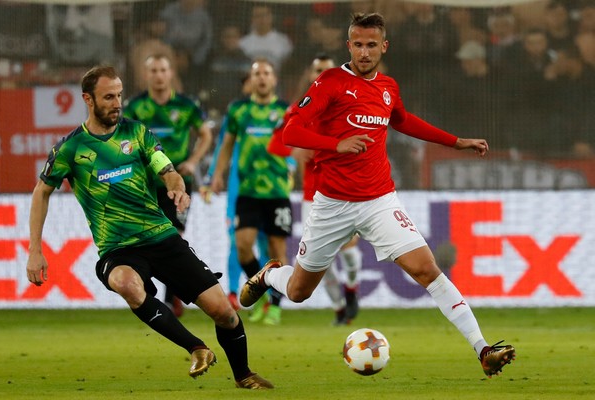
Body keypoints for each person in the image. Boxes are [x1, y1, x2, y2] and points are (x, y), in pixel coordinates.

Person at [240, 13, 516, 378]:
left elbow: (402, 119)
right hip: (333, 204)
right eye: (358, 44)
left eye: (372, 45)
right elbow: (291, 133)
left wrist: (455, 141)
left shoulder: (387, 86)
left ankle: (482, 349)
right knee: (298, 292)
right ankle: (270, 275)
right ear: (349, 45)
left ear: (384, 46)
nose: (365, 52)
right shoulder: (330, 83)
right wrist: (336, 144)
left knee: (427, 270)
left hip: (379, 201)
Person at [25, 65, 273, 389]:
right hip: (118, 249)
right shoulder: (70, 149)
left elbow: (165, 167)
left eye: (119, 96)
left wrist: (176, 185)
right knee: (126, 284)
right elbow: (41, 192)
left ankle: (244, 375)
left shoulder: (137, 133)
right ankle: (196, 348)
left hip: (162, 237)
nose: (117, 103)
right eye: (108, 97)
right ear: (88, 99)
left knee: (224, 313)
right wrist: (34, 249)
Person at [267, 54, 362, 325]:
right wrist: (297, 149)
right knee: (323, 260)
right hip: (314, 196)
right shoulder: (300, 109)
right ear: (311, 75)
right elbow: (276, 144)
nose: (321, 74)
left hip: (348, 192)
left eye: (327, 70)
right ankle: (339, 307)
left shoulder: (351, 106)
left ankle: (352, 289)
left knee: (351, 253)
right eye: (317, 70)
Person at [123, 54, 213, 317]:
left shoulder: (187, 105)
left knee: (174, 236)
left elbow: (205, 134)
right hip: (145, 185)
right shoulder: (136, 106)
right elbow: (122, 138)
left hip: (179, 183)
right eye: (153, 70)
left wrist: (194, 161)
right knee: (146, 237)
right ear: (146, 75)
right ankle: (154, 291)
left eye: (163, 70)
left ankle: (171, 298)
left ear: (170, 73)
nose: (159, 75)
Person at [210, 59, 290, 326]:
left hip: (277, 190)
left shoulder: (285, 111)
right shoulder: (239, 110)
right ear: (251, 80)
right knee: (243, 247)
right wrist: (218, 174)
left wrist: (294, 169)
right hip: (248, 191)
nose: (262, 78)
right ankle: (263, 293)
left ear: (274, 79)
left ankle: (276, 306)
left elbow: (297, 145)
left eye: (267, 73)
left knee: (277, 249)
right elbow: (227, 144)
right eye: (257, 74)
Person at [200, 74, 270, 314]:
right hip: (239, 190)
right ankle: (232, 292)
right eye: (251, 79)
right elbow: (222, 147)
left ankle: (266, 298)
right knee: (236, 241)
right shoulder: (238, 114)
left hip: (269, 189)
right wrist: (212, 178)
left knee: (265, 243)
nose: (256, 82)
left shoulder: (276, 114)